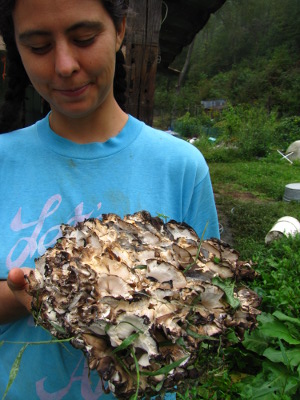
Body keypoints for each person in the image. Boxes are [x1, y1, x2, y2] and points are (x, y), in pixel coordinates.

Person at [0, 0, 220, 398]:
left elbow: (208, 302)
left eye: (84, 38)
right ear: (16, 47)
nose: (65, 65)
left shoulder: (180, 166)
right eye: (38, 46)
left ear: (120, 29)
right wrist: (42, 294)